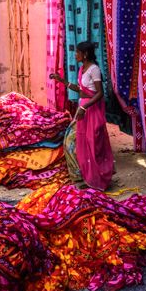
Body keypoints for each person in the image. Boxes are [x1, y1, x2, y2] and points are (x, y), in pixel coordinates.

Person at [50, 41, 115, 190]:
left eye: (78, 52)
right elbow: (81, 90)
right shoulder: (82, 69)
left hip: (91, 110)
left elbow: (99, 93)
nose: (75, 55)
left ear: (85, 54)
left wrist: (84, 107)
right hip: (83, 110)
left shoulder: (94, 70)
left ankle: (97, 178)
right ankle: (83, 175)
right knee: (73, 142)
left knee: (93, 144)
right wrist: (62, 81)